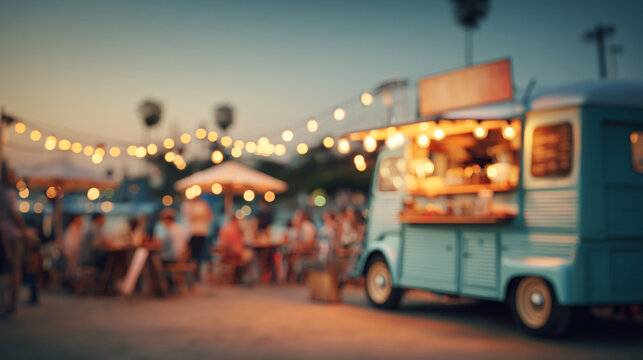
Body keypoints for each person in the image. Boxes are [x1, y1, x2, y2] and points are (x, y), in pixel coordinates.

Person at [0, 164, 29, 319]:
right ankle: (12, 304)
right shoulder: (9, 193)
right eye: (13, 174)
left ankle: (7, 303)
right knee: (14, 270)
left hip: (4, 235)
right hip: (11, 236)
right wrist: (25, 231)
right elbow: (14, 214)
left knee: (6, 271)